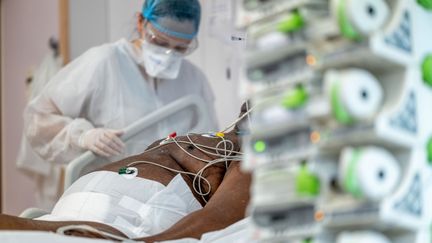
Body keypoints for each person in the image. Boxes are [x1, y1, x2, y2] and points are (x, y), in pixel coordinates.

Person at [17, 0, 219, 210]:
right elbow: (38, 117)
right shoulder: (104, 62)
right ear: (141, 22)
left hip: (169, 204)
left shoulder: (194, 80)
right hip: (105, 198)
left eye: (180, 48)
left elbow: (211, 147)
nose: (168, 55)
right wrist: (83, 136)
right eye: (159, 42)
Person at [0, 104, 251, 243]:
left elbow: (217, 218)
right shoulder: (212, 136)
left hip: (128, 218)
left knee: (81, 233)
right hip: (66, 208)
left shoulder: (250, 158)